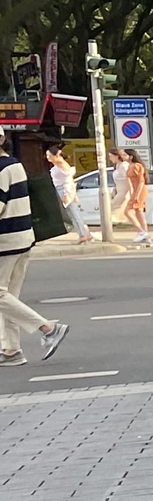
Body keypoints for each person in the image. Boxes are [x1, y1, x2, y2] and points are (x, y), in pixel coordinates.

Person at [0, 146, 69, 365]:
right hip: (23, 238)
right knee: (9, 297)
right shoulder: (14, 164)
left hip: (5, 240)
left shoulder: (0, 169)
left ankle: (48, 328)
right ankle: (11, 350)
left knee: (1, 296)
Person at [47, 146, 91, 244]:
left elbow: (68, 179)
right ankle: (85, 233)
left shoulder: (62, 164)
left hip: (64, 189)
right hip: (61, 188)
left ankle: (83, 234)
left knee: (73, 213)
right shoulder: (57, 165)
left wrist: (66, 194)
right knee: (73, 213)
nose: (47, 157)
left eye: (49, 155)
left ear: (56, 155)